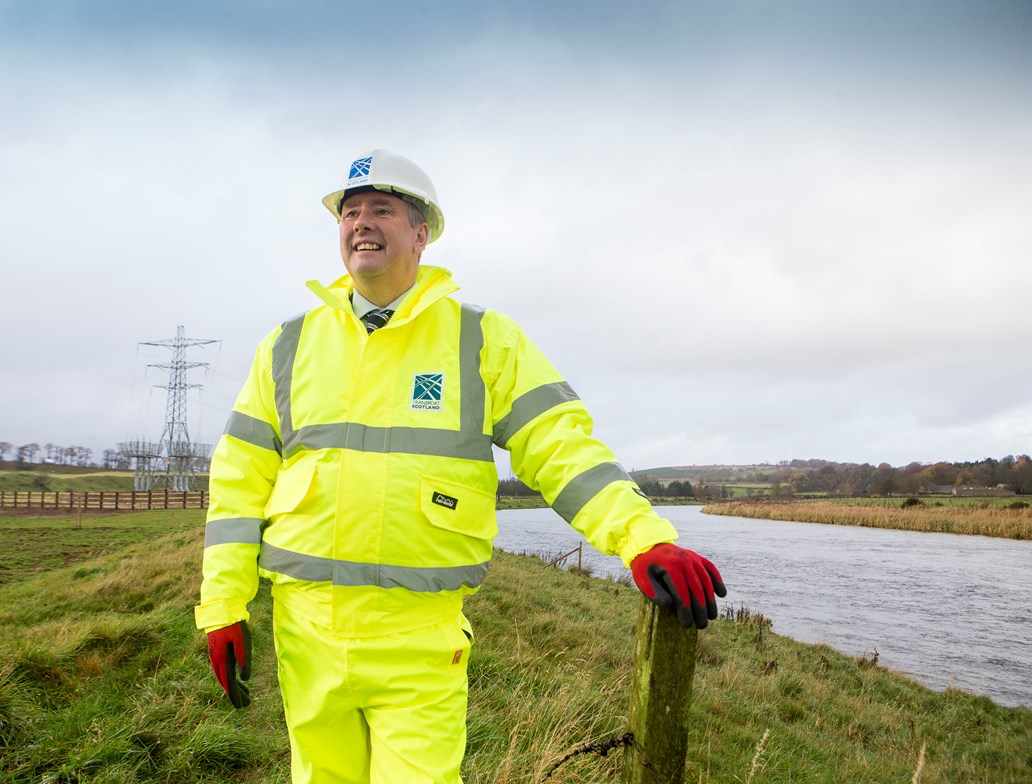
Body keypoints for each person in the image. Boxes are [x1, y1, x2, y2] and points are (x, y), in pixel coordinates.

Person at [195, 149, 726, 783]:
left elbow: (561, 446)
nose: (360, 222)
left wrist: (642, 539)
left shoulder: (483, 340)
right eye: (350, 211)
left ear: (422, 234)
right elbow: (238, 484)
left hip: (419, 641)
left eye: (382, 210)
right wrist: (222, 604)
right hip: (305, 633)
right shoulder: (288, 345)